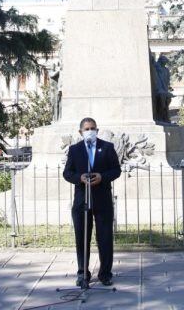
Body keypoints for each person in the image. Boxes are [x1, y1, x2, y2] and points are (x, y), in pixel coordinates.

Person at [62, 117, 121, 287]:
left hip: (102, 200)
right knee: (82, 237)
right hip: (82, 200)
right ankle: (83, 273)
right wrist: (79, 178)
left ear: (97, 130)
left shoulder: (107, 147)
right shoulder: (74, 150)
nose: (90, 131)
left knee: (105, 237)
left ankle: (105, 273)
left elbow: (116, 170)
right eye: (87, 128)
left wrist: (103, 177)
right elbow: (67, 173)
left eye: (93, 128)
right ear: (80, 132)